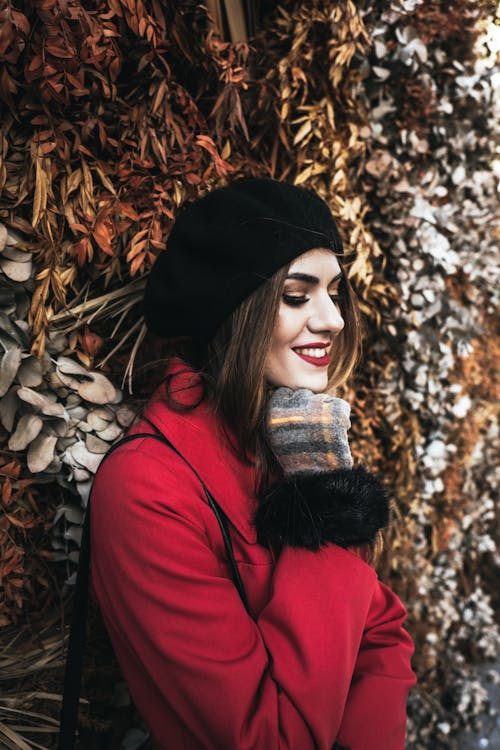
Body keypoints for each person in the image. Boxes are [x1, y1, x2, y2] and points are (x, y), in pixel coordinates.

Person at [90, 178, 416, 750]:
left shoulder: (284, 440)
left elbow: (382, 632)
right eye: (296, 294)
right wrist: (321, 504)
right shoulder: (147, 489)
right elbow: (269, 737)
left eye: (334, 292)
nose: (334, 319)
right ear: (233, 311)